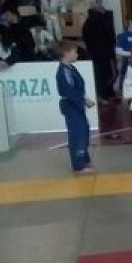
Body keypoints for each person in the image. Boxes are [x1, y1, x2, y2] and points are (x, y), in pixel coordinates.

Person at [56, 44, 96, 174]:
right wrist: (84, 100)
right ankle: (79, 165)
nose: (77, 55)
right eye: (74, 52)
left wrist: (84, 99)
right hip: (71, 105)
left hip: (76, 104)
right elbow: (69, 90)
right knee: (77, 133)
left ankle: (83, 158)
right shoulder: (64, 71)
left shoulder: (71, 68)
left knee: (83, 130)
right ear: (66, 53)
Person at [82, 4, 116, 103]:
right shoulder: (102, 20)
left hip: (94, 53)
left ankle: (103, 95)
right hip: (104, 52)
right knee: (106, 75)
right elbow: (110, 35)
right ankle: (106, 95)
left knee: (100, 76)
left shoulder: (87, 23)